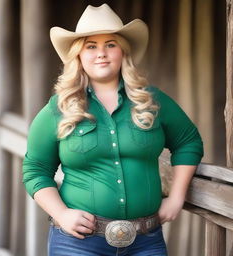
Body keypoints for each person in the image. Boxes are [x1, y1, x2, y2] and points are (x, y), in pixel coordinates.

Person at [22, 3, 203, 256]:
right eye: (91, 46)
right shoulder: (58, 109)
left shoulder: (152, 101)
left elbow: (188, 141)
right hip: (78, 244)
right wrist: (61, 214)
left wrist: (176, 196)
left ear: (123, 52)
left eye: (110, 44)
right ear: (79, 55)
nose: (101, 53)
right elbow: (35, 170)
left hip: (146, 242)